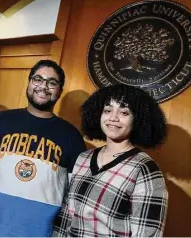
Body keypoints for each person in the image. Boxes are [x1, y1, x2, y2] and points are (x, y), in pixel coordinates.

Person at [0, 59, 86, 237]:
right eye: (38, 79)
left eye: (52, 83)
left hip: (39, 232)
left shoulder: (72, 136)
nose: (43, 86)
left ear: (59, 91)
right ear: (29, 82)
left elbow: (72, 195)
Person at [53, 84, 168, 237]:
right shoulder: (83, 158)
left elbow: (148, 234)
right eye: (107, 110)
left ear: (138, 120)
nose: (113, 117)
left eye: (124, 112)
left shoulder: (145, 169)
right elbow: (67, 214)